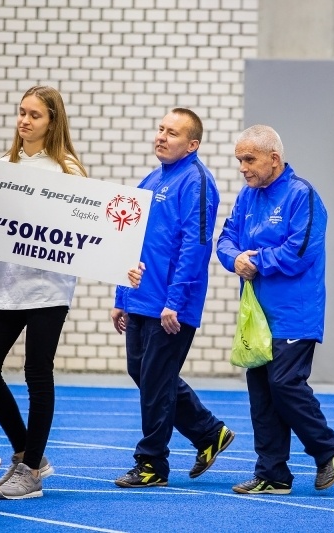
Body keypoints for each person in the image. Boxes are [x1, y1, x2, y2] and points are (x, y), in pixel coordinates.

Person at [0, 86, 143, 500]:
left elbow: (94, 235)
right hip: (7, 288)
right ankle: (27, 450)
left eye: (35, 115)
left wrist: (123, 265)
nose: (25, 121)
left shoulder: (68, 171)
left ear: (53, 121)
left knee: (36, 373)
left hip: (49, 290)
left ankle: (30, 472)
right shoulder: (5, 167)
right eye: (21, 113)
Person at [217, 125, 334, 495]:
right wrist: (234, 258)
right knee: (261, 395)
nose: (243, 167)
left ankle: (328, 449)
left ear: (274, 158)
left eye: (249, 159)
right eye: (239, 159)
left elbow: (300, 250)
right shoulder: (246, 196)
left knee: (284, 384)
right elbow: (225, 239)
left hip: (295, 313)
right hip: (256, 316)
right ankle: (273, 474)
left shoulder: (301, 194)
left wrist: (258, 263)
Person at [110, 108, 234, 487]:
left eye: (173, 133)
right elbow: (129, 239)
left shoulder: (196, 181)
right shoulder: (151, 179)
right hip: (140, 299)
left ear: (192, 144)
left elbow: (195, 247)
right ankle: (209, 432)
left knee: (156, 381)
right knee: (144, 374)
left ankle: (151, 464)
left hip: (169, 306)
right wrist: (121, 295)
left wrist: (175, 302)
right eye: (161, 129)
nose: (161, 136)